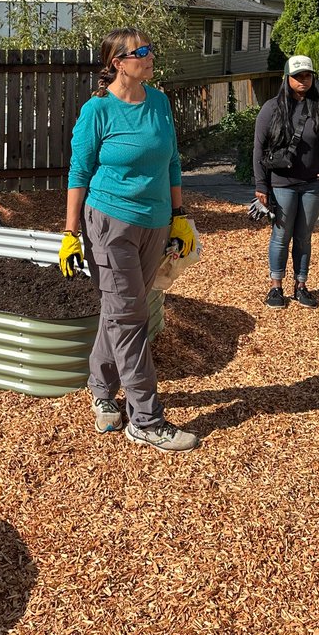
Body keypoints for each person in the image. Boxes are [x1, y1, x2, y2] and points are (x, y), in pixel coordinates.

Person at [58, 28, 200, 453]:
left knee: (120, 311)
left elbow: (172, 161)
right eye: (142, 52)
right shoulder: (97, 110)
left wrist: (179, 217)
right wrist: (69, 234)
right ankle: (146, 420)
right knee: (131, 317)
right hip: (109, 223)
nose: (150, 56)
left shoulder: (158, 102)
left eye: (151, 48)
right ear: (118, 63)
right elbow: (78, 174)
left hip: (154, 223)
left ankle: (101, 388)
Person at [252, 55, 319, 309]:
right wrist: (261, 185)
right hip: (282, 183)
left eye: (307, 75)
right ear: (287, 78)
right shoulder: (272, 108)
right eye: (298, 76)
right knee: (281, 236)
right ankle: (275, 287)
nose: (303, 80)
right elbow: (259, 149)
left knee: (304, 237)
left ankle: (301, 286)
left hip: (313, 184)